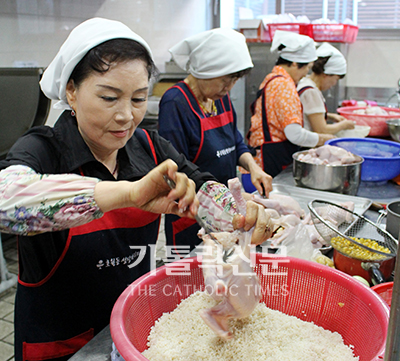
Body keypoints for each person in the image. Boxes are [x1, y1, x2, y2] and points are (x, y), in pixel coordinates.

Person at [0, 18, 271, 361]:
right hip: (63, 344)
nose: (126, 116)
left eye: (139, 98)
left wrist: (239, 215)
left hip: (130, 327)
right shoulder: (43, 149)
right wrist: (127, 194)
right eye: (109, 97)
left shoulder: (149, 148)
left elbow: (202, 188)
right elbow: (6, 201)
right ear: (71, 90)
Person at [157, 28, 273, 254]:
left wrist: (253, 167)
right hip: (192, 215)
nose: (228, 88)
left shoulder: (220, 99)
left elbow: (235, 141)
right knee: (193, 279)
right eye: (225, 80)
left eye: (234, 81)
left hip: (229, 210)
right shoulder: (175, 102)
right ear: (205, 69)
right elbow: (175, 169)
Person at [247, 30, 335, 178]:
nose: (306, 74)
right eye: (307, 68)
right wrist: (323, 139)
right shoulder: (284, 85)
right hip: (266, 165)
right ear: (294, 64)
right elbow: (294, 134)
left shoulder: (272, 78)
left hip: (261, 159)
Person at [297, 42, 355, 135]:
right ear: (326, 74)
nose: (334, 84)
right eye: (335, 79)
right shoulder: (310, 92)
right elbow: (322, 130)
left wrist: (330, 116)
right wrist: (344, 125)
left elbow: (307, 114)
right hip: (306, 144)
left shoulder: (304, 81)